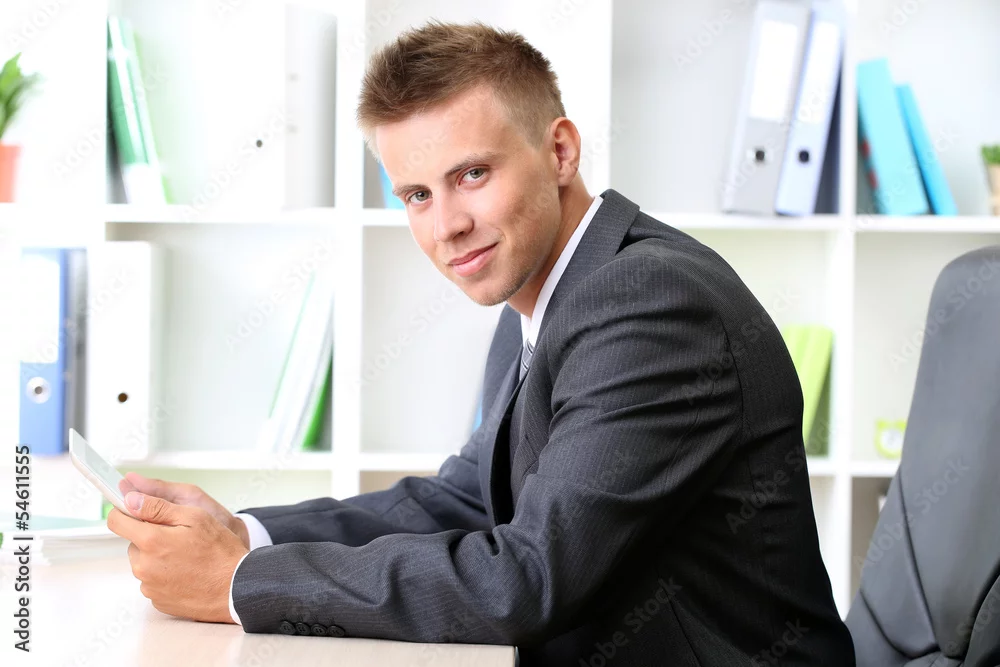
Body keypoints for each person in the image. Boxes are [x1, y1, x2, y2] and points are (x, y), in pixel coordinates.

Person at [108, 21, 856, 666]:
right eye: (416, 194)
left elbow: (526, 579)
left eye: (471, 174)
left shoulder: (647, 302)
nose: (447, 226)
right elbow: (467, 498)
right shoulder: (545, 291)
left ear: (560, 150)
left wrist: (240, 581)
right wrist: (245, 534)